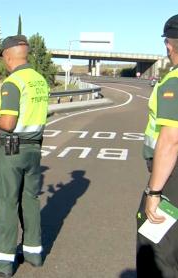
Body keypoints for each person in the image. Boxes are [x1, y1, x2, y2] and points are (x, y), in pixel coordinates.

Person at [0, 35, 49, 277]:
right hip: (34, 149)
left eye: (3, 58)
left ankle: (3, 262)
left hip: (12, 150)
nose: (4, 63)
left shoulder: (12, 82)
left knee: (7, 203)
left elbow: (8, 123)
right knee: (30, 200)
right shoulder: (39, 80)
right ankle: (33, 253)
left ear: (8, 56)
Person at [137, 14, 178, 278]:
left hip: (172, 179)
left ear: (169, 45)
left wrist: (154, 194)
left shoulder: (173, 81)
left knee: (155, 250)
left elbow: (171, 139)